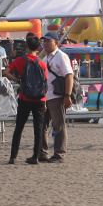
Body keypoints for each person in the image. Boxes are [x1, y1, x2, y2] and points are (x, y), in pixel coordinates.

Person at [4, 34, 49, 165]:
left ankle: (13, 157)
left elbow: (5, 72)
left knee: (19, 127)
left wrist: (18, 80)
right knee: (38, 128)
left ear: (26, 46)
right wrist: (45, 101)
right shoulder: (42, 63)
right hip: (40, 99)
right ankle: (35, 156)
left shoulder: (20, 60)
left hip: (25, 97)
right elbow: (46, 84)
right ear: (39, 48)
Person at [41, 32, 74, 163]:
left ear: (56, 42)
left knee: (58, 125)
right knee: (42, 125)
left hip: (57, 95)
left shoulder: (61, 56)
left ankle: (59, 153)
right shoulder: (45, 58)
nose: (45, 43)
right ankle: (42, 152)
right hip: (46, 96)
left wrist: (67, 95)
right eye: (44, 41)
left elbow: (69, 75)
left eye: (48, 41)